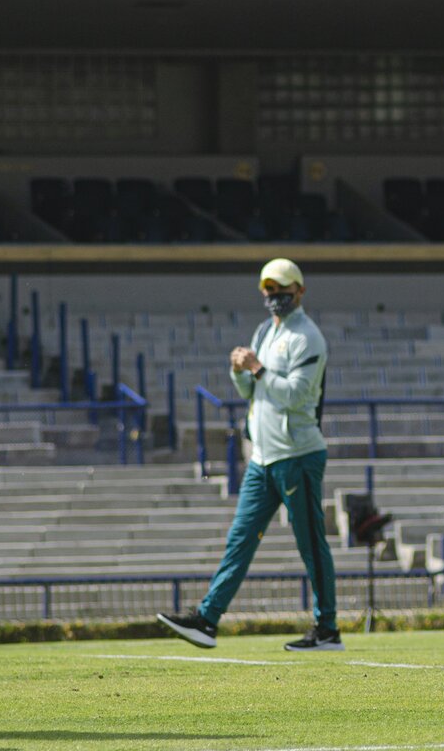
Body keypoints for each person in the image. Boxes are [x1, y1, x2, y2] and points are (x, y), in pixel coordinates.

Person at [158, 258, 341, 652]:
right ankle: (207, 619)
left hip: (298, 454)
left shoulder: (307, 337)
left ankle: (327, 628)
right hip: (263, 456)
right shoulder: (265, 331)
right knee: (239, 540)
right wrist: (240, 371)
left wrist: (255, 368)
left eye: (282, 289)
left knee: (311, 544)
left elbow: (296, 395)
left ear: (300, 290)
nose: (275, 297)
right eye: (269, 290)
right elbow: (251, 393)